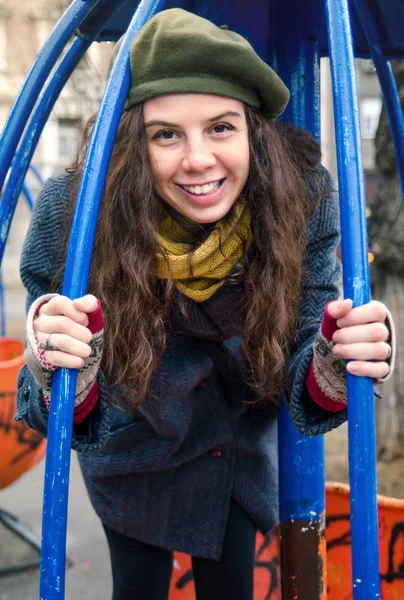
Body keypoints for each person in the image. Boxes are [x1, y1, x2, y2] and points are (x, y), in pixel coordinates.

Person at [16, 9, 395, 600]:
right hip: (132, 439)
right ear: (134, 144)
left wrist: (336, 357)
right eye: (166, 134)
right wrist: (56, 358)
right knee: (136, 586)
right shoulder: (80, 210)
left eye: (220, 127)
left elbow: (303, 357)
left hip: (233, 445)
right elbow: (53, 399)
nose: (197, 160)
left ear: (253, 132)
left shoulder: (297, 202)